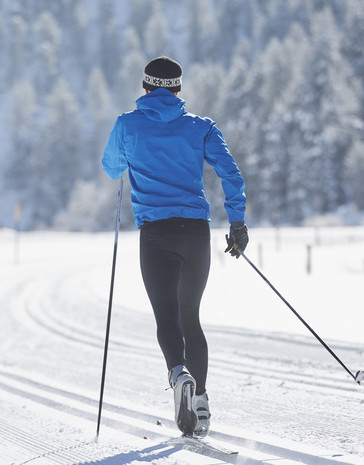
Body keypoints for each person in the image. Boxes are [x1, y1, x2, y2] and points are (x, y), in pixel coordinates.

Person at [102, 56, 249, 437]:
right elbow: (230, 172)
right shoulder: (200, 127)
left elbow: (111, 168)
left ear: (146, 88)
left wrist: (130, 152)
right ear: (179, 90)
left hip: (156, 235)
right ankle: (199, 402)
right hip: (195, 233)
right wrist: (237, 222)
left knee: (166, 318)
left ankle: (178, 373)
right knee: (191, 318)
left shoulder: (127, 124)